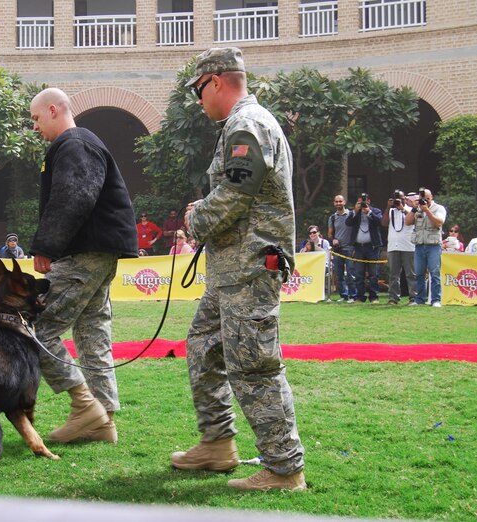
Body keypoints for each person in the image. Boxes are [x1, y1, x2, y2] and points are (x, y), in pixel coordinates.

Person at [170, 47, 305, 492]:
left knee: (254, 366)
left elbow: (234, 194)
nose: (198, 100)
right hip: (233, 269)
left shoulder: (247, 124)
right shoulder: (243, 123)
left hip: (248, 269)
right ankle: (217, 443)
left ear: (215, 81)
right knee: (204, 346)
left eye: (198, 90)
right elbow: (236, 190)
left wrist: (196, 218)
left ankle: (285, 469)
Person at [28, 87, 138, 445]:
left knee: (35, 331)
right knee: (93, 333)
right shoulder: (81, 143)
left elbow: (74, 195)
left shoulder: (74, 143)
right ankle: (102, 418)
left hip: (84, 253)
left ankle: (85, 407)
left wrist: (47, 245)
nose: (34, 126)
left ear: (54, 109)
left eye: (36, 117)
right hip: (99, 253)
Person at [405, 188, 447, 307]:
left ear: (432, 197)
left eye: (427, 199)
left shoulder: (439, 208)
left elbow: (439, 223)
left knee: (434, 273)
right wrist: (414, 209)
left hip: (433, 245)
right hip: (419, 245)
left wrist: (427, 210)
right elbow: (407, 222)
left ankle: (436, 300)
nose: (425, 201)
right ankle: (420, 299)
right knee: (419, 273)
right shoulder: (417, 209)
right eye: (423, 199)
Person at [345, 193, 384, 304]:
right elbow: (348, 223)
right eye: (360, 202)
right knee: (359, 273)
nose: (362, 204)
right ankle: (360, 296)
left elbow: (379, 222)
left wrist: (369, 212)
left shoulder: (375, 211)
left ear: (369, 201)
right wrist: (355, 211)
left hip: (372, 247)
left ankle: (374, 297)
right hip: (358, 247)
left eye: (364, 201)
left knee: (373, 274)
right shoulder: (355, 213)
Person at [382, 191, 416, 305]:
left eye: (400, 198)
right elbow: (384, 223)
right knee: (393, 274)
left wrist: (402, 208)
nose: (398, 200)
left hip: (408, 245)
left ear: (404, 198)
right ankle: (393, 297)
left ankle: (413, 297)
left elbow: (414, 220)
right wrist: (388, 207)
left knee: (410, 274)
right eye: (395, 198)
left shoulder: (410, 209)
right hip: (393, 245)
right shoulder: (391, 210)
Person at [327, 195, 357, 303]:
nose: (338, 203)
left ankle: (353, 295)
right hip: (338, 250)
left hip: (350, 248)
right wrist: (333, 239)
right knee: (339, 275)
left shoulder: (351, 215)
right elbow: (330, 233)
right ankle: (344, 296)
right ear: (334, 203)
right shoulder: (332, 217)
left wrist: (355, 246)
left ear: (344, 202)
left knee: (351, 274)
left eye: (340, 201)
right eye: (336, 202)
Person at [299, 225, 331, 300]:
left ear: (318, 232)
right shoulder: (306, 242)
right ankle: (305, 292)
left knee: (319, 271)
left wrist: (316, 248)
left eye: (314, 232)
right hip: (310, 266)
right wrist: (304, 250)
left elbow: (327, 256)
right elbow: (300, 255)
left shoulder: (324, 242)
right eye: (310, 233)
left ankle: (319, 293)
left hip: (323, 265)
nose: (312, 234)